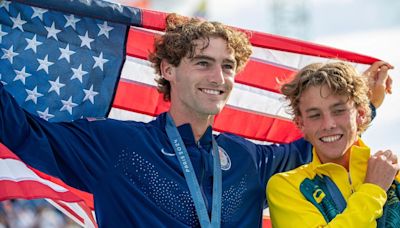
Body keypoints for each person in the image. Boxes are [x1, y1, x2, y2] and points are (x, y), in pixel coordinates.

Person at [0, 13, 391, 227]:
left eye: (227, 66)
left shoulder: (247, 160)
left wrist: (366, 106)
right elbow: (23, 132)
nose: (218, 78)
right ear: (168, 69)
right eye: (203, 63)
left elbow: (320, 138)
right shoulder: (116, 145)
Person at [266, 61, 398, 227]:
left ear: (361, 114)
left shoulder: (394, 175)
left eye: (339, 111)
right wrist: (373, 190)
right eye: (315, 115)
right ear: (301, 125)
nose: (328, 124)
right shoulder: (286, 187)